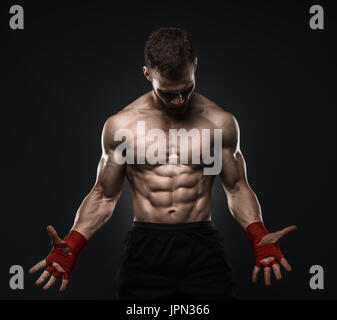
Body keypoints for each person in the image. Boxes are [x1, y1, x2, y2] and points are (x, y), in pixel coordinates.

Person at [29, 27, 297, 299]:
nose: (179, 101)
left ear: (195, 65)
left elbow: (237, 188)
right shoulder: (122, 125)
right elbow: (104, 195)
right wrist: (73, 243)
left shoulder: (220, 122)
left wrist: (257, 234)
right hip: (145, 248)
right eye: (167, 93)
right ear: (148, 74)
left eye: (186, 90)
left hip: (202, 246)